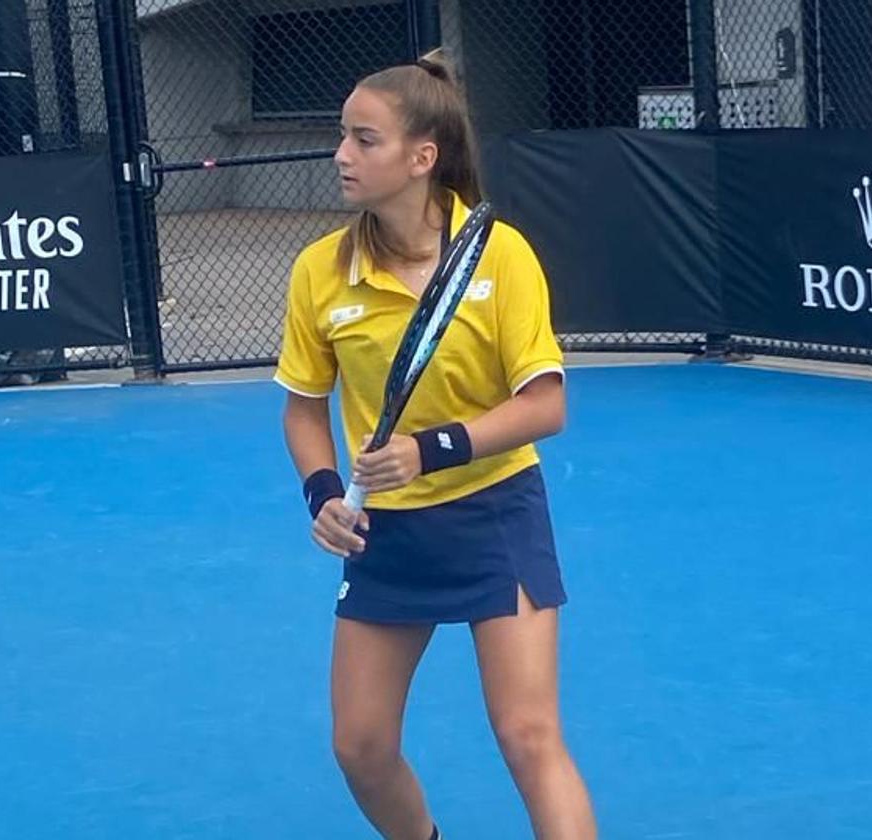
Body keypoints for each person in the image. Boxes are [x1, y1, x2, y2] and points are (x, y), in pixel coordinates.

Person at [274, 51, 597, 840]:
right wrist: (322, 493)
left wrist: (432, 448)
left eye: (363, 140)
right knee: (360, 747)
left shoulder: (500, 256)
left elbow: (544, 405)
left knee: (527, 736)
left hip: (496, 515)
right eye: (341, 138)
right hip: (386, 532)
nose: (341, 156)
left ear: (423, 158)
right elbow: (304, 408)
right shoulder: (321, 271)